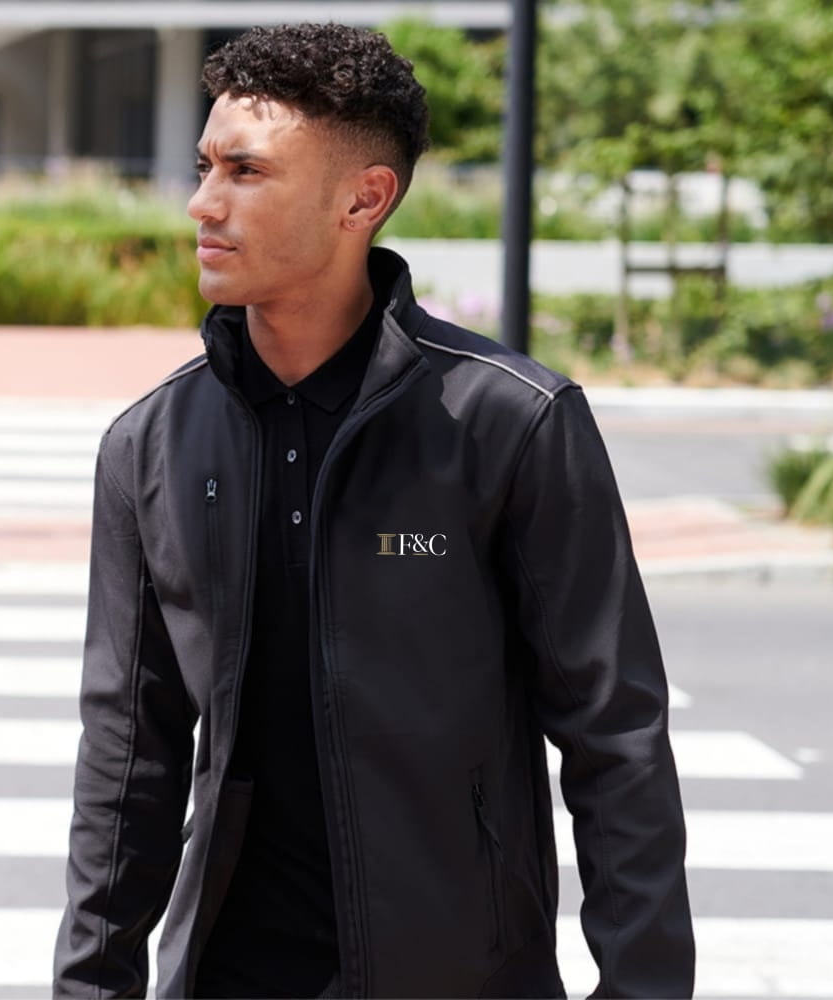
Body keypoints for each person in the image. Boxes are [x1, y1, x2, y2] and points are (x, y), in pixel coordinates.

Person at [53, 22, 694, 1000]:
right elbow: (126, 753)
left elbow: (616, 735)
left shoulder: (509, 421)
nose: (202, 202)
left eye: (246, 171)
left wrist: (641, 988)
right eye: (205, 166)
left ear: (364, 198)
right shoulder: (153, 444)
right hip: (230, 978)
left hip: (462, 978)